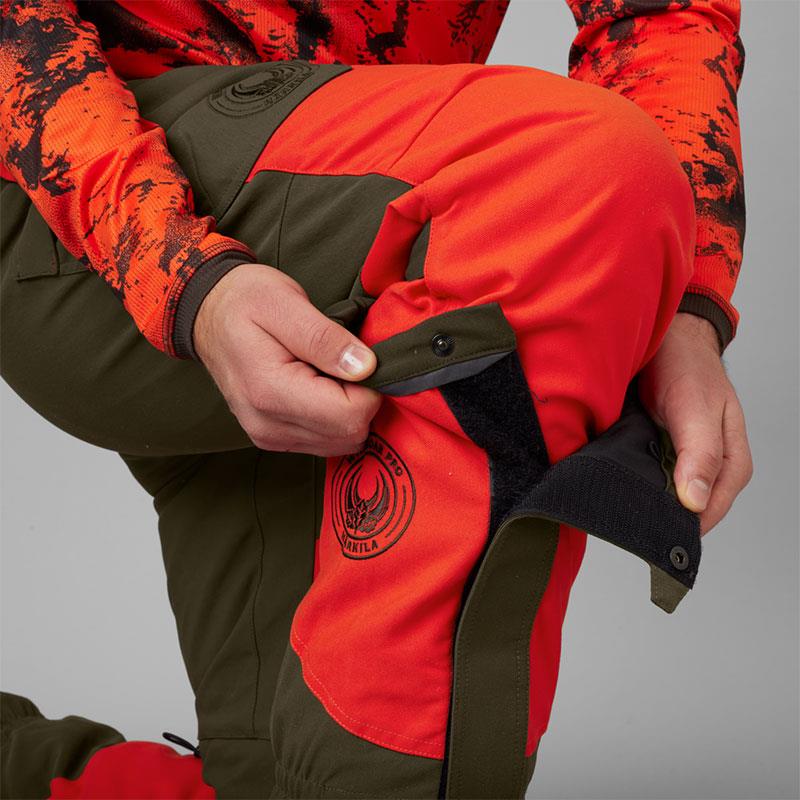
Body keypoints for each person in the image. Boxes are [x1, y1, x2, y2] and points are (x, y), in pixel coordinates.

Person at [0, 1, 753, 798]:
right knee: (567, 176)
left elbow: (662, 16)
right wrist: (180, 268)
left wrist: (683, 306)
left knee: (286, 776)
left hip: (357, 205)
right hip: (72, 170)